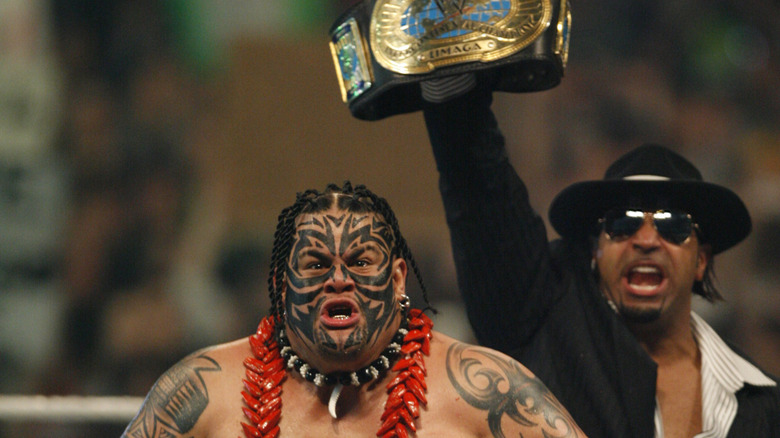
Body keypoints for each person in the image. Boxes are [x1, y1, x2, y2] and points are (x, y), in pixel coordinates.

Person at [419, 78, 780, 438]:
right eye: (623, 223)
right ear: (595, 251)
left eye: (673, 225)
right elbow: (482, 193)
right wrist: (454, 94)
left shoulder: (764, 404)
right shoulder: (545, 327)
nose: (647, 240)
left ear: (701, 260)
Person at [121, 182, 587, 438]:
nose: (339, 278)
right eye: (317, 263)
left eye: (361, 262)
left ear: (399, 279)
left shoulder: (480, 388)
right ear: (284, 286)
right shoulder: (205, 389)